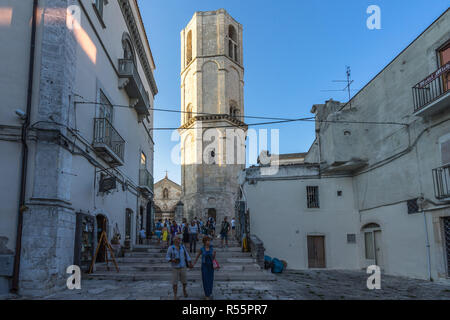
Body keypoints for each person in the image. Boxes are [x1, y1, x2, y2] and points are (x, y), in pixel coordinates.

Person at [166, 235, 193, 300]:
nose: (179, 240)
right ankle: (175, 295)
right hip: (175, 267)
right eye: (178, 239)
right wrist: (173, 260)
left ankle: (184, 290)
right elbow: (167, 257)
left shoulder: (182, 247)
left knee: (184, 281)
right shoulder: (171, 248)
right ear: (174, 240)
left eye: (180, 239)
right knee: (175, 282)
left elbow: (187, 255)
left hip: (183, 266)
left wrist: (190, 262)